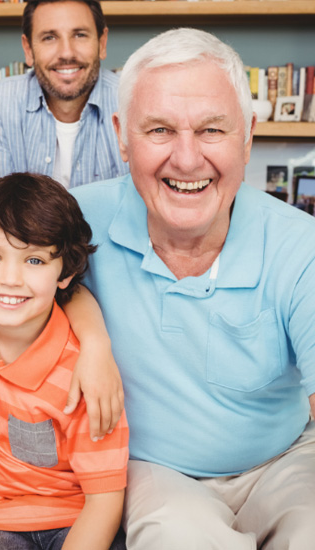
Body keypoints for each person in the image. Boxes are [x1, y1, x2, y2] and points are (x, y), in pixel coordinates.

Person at [70, 28, 315, 549]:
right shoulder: (74, 221)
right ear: (120, 135)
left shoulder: (302, 245)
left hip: (285, 456)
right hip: (158, 468)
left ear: (247, 134)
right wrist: (91, 335)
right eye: (159, 130)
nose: (186, 160)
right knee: (178, 537)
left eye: (211, 130)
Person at [0, 173, 129, 550]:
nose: (11, 278)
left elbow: (105, 499)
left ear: (65, 271)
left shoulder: (85, 373)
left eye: (34, 259)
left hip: (77, 518)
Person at [0, 0, 128, 191]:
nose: (66, 53)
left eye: (80, 35)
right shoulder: (0, 102)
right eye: (49, 38)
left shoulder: (131, 99)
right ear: (28, 49)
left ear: (102, 43)